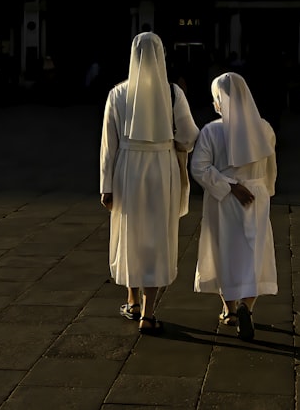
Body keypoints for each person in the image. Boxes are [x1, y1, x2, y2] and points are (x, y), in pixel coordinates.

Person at [99, 32, 200, 335]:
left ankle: (130, 299)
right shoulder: (172, 94)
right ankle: (148, 311)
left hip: (128, 169)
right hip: (162, 167)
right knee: (157, 235)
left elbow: (108, 145)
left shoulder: (118, 94)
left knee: (131, 231)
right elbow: (188, 136)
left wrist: (106, 185)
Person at [191, 71, 278, 341]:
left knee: (224, 251)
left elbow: (199, 168)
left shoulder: (212, 130)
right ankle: (246, 307)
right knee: (254, 253)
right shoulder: (263, 127)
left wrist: (228, 185)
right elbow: (270, 166)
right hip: (256, 195)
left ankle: (228, 309)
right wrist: (265, 191)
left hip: (225, 198)